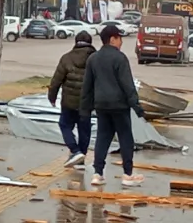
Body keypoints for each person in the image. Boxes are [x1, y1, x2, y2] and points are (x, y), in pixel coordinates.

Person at [79, 24, 146, 187]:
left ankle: (97, 174)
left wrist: (85, 110)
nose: (121, 41)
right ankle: (128, 174)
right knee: (125, 138)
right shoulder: (119, 58)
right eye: (119, 37)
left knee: (102, 138)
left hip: (101, 105)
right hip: (119, 106)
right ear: (112, 39)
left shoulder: (93, 59)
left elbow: (87, 86)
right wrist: (137, 108)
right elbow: (127, 85)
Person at [48, 31, 96, 168]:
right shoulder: (96, 59)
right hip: (87, 103)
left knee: (65, 125)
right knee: (84, 130)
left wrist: (52, 97)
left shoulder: (67, 58)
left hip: (69, 102)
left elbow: (56, 80)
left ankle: (75, 150)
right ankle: (81, 159)